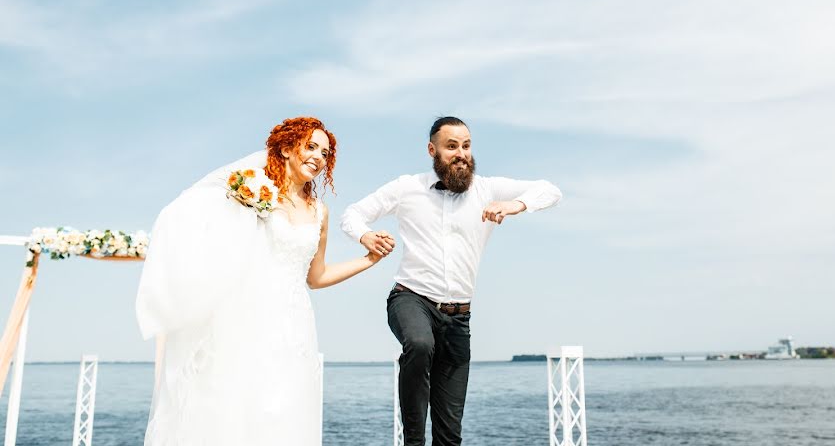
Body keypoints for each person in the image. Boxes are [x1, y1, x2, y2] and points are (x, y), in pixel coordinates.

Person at [136, 117, 380, 445]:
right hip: (246, 315)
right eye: (311, 147)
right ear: (285, 148)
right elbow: (210, 232)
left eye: (325, 153)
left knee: (284, 409)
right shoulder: (254, 191)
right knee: (236, 405)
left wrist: (368, 260)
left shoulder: (321, 212)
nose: (318, 157)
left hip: (295, 323)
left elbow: (317, 277)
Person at [341, 116, 562, 446]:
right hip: (411, 298)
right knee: (418, 344)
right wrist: (366, 235)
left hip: (459, 319)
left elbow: (550, 190)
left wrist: (516, 205)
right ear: (433, 150)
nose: (461, 153)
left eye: (467, 146)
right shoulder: (407, 188)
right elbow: (353, 214)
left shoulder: (487, 189)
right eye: (452, 146)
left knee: (449, 432)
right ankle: (412, 440)